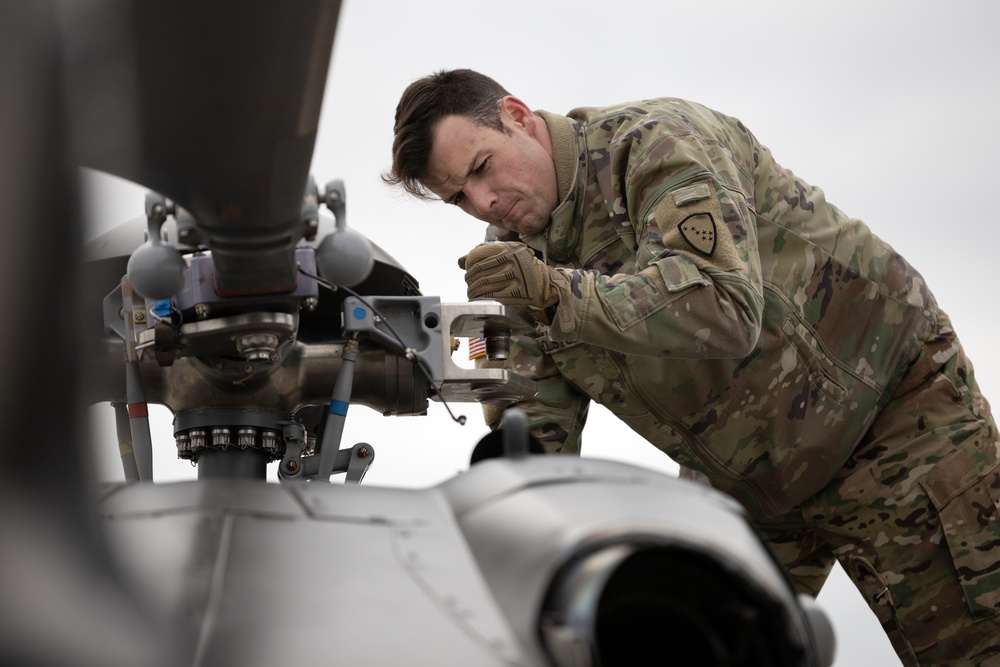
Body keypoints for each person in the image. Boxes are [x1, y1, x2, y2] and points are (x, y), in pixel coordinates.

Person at [384, 69, 1000, 666]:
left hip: (893, 420)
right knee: (676, 637)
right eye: (458, 197)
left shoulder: (657, 144)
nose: (484, 201)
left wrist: (555, 294)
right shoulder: (513, 260)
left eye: (483, 169)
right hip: (750, 482)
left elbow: (724, 306)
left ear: (519, 117)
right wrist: (509, 472)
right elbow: (534, 410)